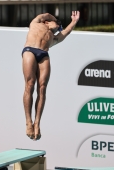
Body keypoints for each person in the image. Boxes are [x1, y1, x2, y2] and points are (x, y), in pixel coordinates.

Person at [22, 11, 80, 141]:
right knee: (29, 85)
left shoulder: (53, 38)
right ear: (47, 22)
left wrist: (74, 21)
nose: (58, 28)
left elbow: (66, 32)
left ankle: (37, 123)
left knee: (42, 88)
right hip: (30, 50)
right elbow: (47, 14)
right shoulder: (37, 22)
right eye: (58, 25)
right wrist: (56, 19)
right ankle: (28, 122)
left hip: (43, 53)